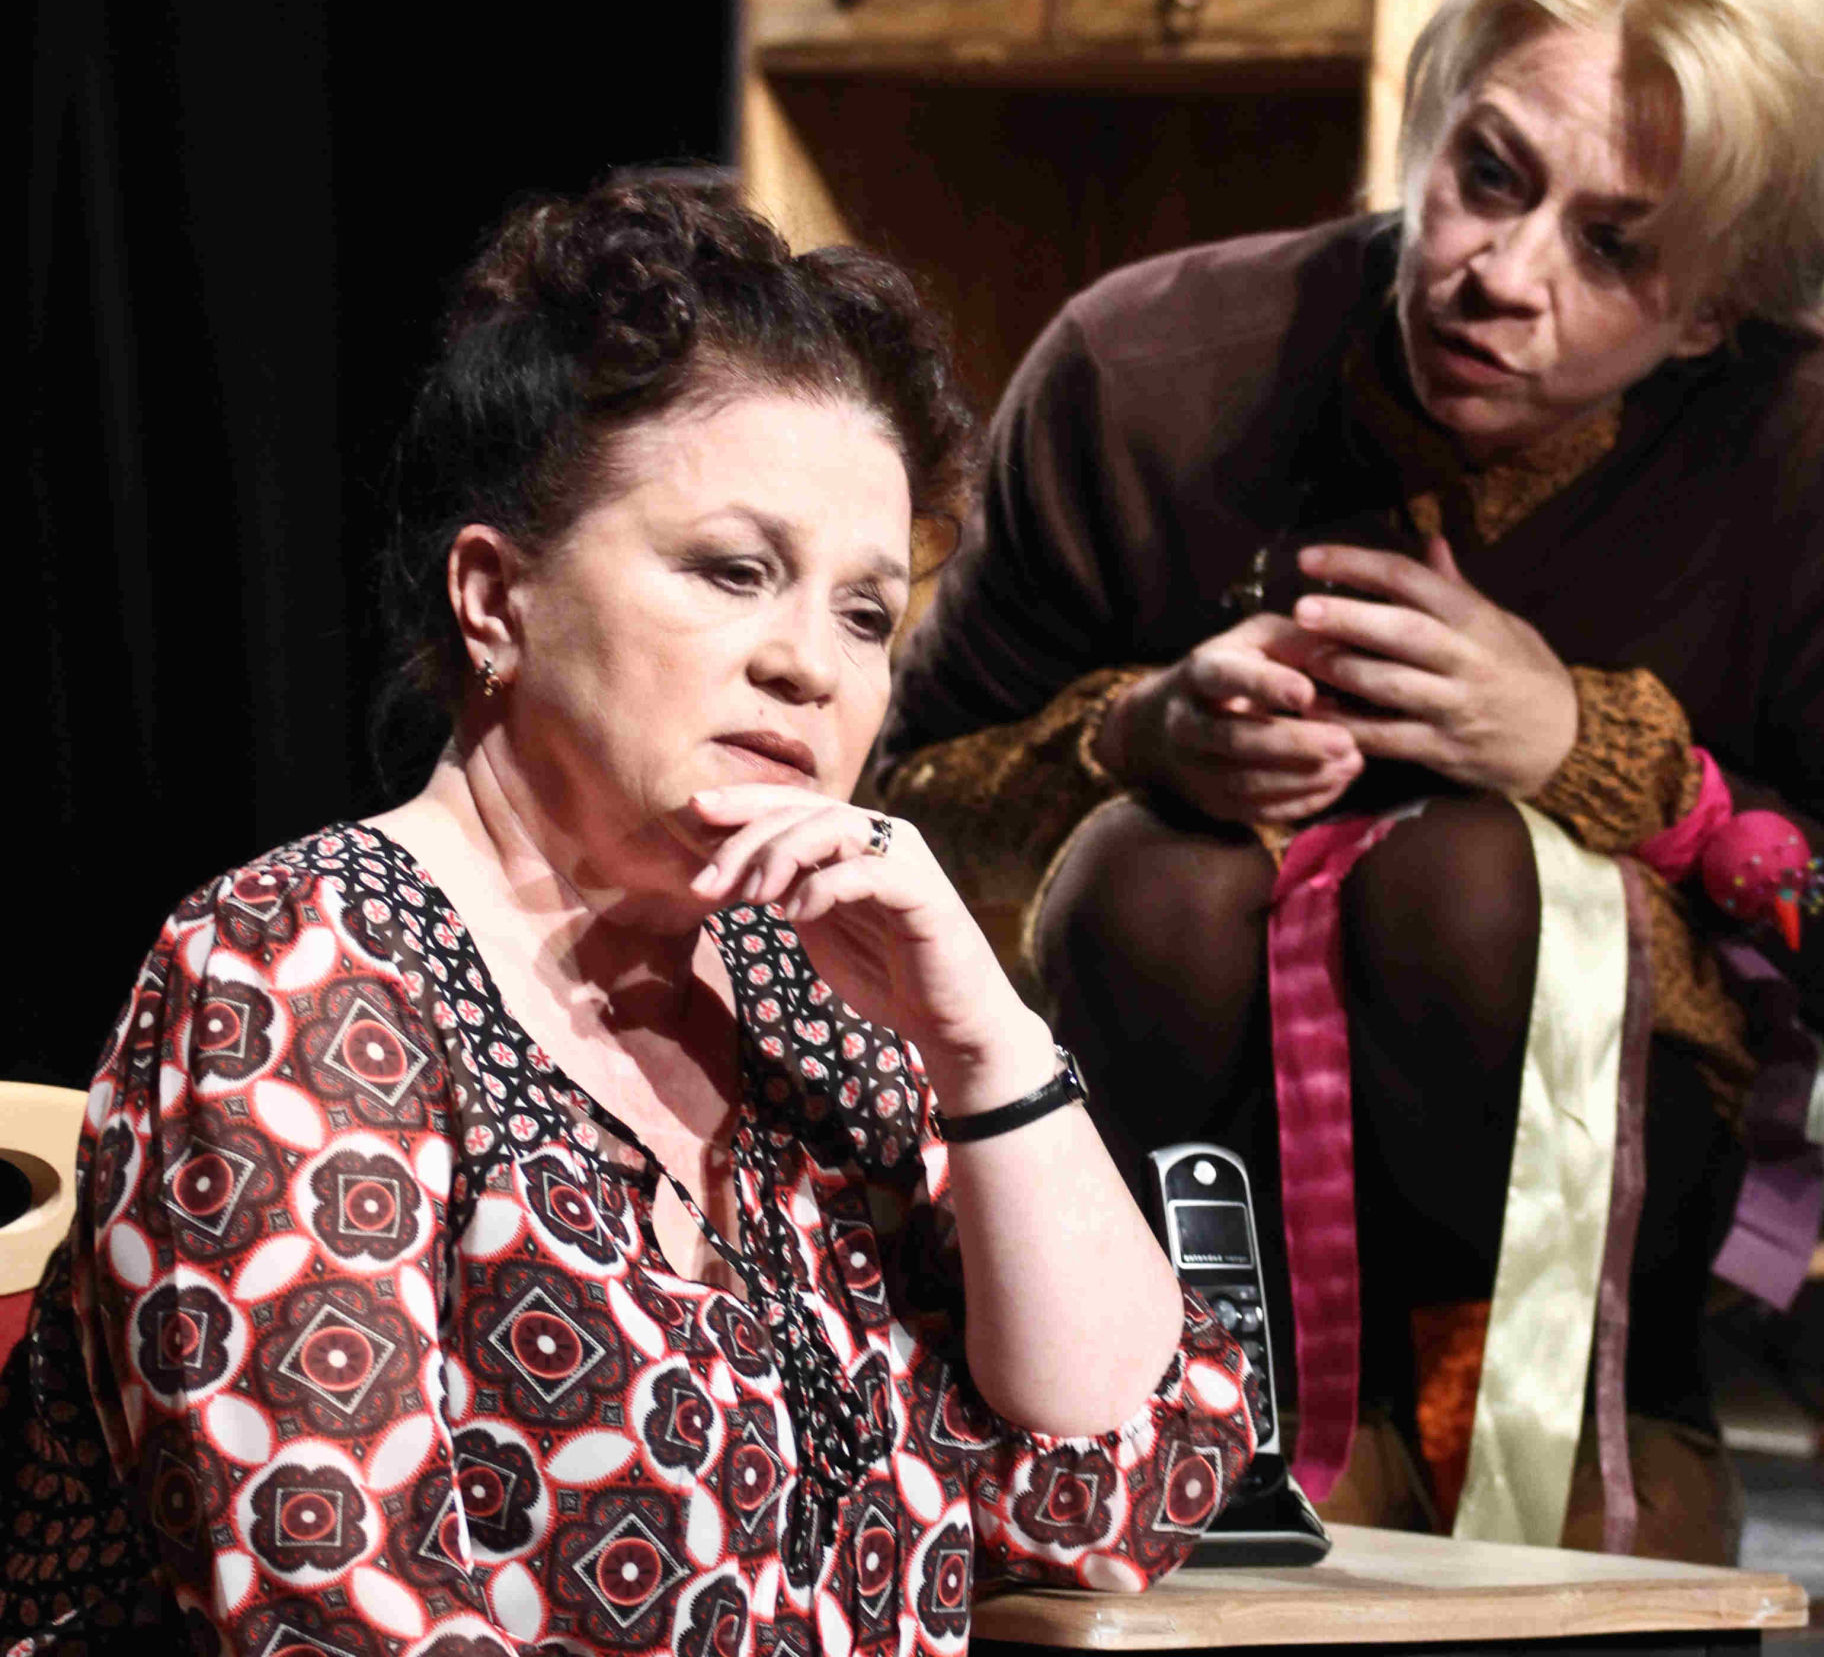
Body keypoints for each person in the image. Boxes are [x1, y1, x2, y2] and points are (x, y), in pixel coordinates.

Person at [874, 0, 1824, 1565]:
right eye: (1488, 175)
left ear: (1716, 305)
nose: (1501, 272)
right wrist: (1138, 736)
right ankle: (1194, 1424)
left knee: (1472, 875)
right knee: (1154, 874)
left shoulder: (1811, 450)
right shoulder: (1148, 367)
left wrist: (1597, 757)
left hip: (1589, 1254)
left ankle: (1554, 1436)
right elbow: (896, 822)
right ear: (1435, 113)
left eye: (1613, 248)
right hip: (1156, 1156)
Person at [0, 172, 1255, 1650]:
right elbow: (333, 1614)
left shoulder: (819, 1005)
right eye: (735, 571)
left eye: (865, 613)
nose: (813, 666)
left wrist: (985, 1045)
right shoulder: (297, 973)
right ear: (495, 599)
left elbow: (1121, 1490)